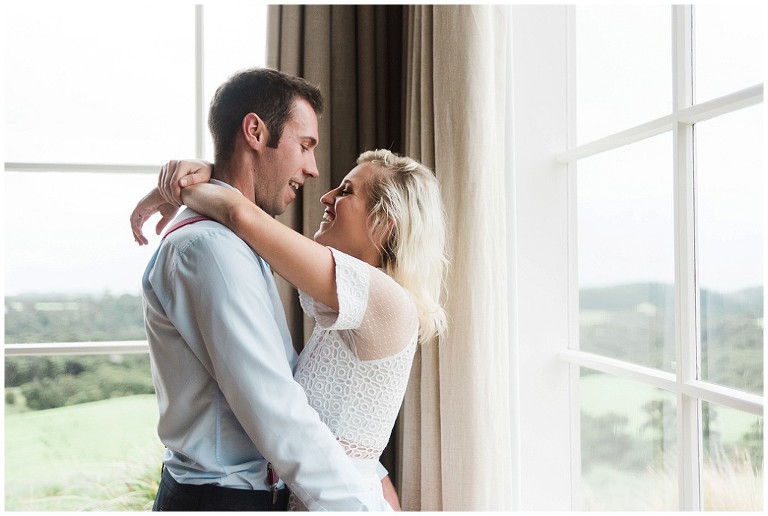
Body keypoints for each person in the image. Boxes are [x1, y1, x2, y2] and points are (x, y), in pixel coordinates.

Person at [129, 67, 395, 511]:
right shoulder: (210, 249)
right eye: (305, 145)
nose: (312, 170)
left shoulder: (232, 240)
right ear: (255, 131)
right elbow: (277, 413)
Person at [131, 149, 448, 511]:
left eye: (346, 192)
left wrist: (181, 187)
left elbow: (239, 215)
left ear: (383, 221)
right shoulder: (355, 305)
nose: (326, 197)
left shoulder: (385, 299)